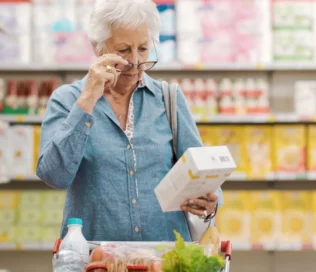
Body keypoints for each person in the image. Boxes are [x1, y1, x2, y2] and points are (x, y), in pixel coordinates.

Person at [37, 0, 222, 242]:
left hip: (165, 258)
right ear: (98, 48)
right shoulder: (68, 100)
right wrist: (88, 101)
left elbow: (202, 173)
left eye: (143, 49)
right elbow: (54, 175)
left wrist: (210, 199)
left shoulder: (169, 99)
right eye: (124, 50)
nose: (135, 62)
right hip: (96, 260)